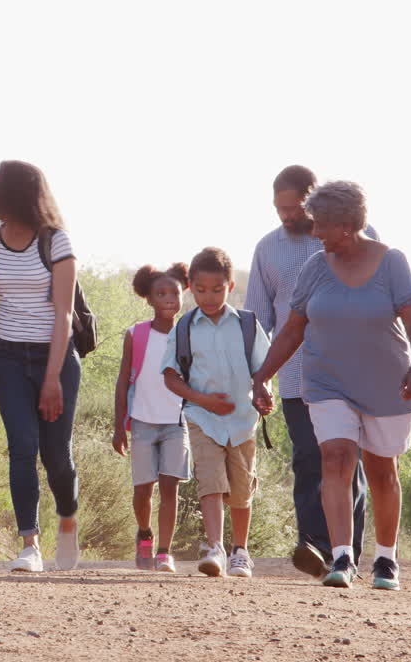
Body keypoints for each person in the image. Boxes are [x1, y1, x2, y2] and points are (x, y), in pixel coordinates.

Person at [252, 180, 411, 591]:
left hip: (387, 381)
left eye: (323, 227)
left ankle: (386, 560)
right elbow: (293, 330)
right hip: (326, 378)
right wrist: (261, 375)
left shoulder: (392, 263)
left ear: (347, 226)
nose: (315, 233)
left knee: (382, 471)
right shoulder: (316, 267)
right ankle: (342, 557)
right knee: (334, 458)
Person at [244, 165, 375, 578]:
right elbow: (258, 319)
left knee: (345, 460)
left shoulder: (359, 241)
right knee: (308, 458)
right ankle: (315, 546)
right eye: (278, 208)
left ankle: (347, 552)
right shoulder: (267, 248)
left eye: (293, 207)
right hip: (295, 373)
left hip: (348, 373)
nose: (285, 215)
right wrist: (255, 375)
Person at [0, 160, 82, 573]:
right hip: (8, 357)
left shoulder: (56, 242)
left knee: (57, 454)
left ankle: (68, 519)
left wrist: (52, 378)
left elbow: (63, 315)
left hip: (54, 357)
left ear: (14, 195)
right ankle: (29, 545)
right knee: (22, 445)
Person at [162, 247, 274, 578]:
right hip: (201, 418)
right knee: (209, 481)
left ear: (230, 286)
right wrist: (202, 400)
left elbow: (263, 369)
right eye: (200, 290)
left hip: (241, 421)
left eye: (216, 289)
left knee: (240, 490)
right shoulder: (183, 328)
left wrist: (264, 392)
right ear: (190, 288)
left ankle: (240, 550)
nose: (208, 297)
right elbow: (170, 375)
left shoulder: (247, 325)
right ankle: (215, 547)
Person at [112, 263, 192, 573]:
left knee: (170, 487)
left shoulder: (188, 333)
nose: (170, 299)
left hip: (177, 423)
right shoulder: (136, 334)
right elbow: (123, 382)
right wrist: (120, 427)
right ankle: (144, 533)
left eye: (174, 292)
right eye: (161, 294)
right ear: (149, 299)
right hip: (143, 422)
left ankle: (163, 552)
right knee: (143, 489)